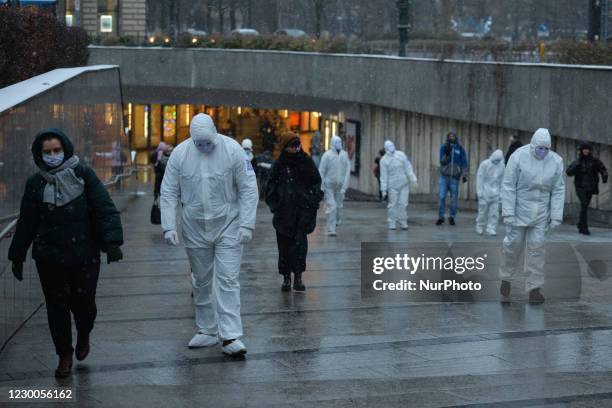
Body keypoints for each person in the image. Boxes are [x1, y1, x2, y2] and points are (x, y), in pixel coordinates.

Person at [8, 128, 124, 378]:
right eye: (47, 152)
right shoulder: (35, 184)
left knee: (85, 306)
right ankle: (64, 355)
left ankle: (83, 334)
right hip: (50, 257)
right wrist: (17, 255)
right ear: (39, 155)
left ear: (66, 149)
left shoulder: (83, 174)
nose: (52, 155)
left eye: (56, 150)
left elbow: (104, 207)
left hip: (84, 253)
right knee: (56, 308)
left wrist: (112, 242)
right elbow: (27, 222)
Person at [160, 113, 258, 356]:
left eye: (208, 142)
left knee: (227, 279)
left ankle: (230, 335)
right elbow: (169, 191)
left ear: (215, 133)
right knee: (201, 280)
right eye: (199, 143)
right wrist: (169, 225)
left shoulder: (233, 150)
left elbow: (248, 187)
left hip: (229, 224)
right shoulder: (180, 155)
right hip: (194, 227)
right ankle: (207, 329)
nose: (204, 147)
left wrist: (247, 224)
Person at [499, 128, 565, 304]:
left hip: (540, 215)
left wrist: (556, 215)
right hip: (518, 211)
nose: (542, 152)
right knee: (512, 247)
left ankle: (534, 289)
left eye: (546, 149)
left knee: (537, 251)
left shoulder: (556, 161)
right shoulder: (518, 157)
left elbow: (558, 189)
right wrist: (508, 212)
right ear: (533, 146)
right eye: (539, 148)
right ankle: (506, 278)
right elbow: (508, 185)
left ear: (549, 148)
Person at [264, 132, 323, 292]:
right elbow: (270, 186)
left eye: (297, 145)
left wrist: (311, 201)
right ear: (285, 147)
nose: (296, 149)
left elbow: (316, 182)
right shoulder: (280, 164)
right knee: (284, 247)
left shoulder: (305, 161)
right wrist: (276, 205)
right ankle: (286, 278)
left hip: (301, 213)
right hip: (284, 214)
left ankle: (298, 277)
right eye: (292, 146)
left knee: (300, 247)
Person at [566, 141, 608, 235]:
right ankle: (584, 227)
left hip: (590, 187)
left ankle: (581, 224)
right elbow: (568, 172)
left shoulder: (594, 161)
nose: (586, 151)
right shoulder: (578, 162)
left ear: (589, 150)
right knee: (584, 204)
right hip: (580, 187)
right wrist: (576, 167)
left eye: (587, 149)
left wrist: (604, 176)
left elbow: (602, 168)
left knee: (584, 206)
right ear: (581, 150)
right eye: (584, 149)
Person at [380, 140, 418, 230]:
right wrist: (383, 190)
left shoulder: (401, 155)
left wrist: (413, 180)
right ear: (385, 149)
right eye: (389, 146)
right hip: (392, 185)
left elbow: (408, 167)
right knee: (393, 204)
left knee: (403, 204)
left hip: (404, 183)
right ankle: (392, 222)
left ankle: (403, 221)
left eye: (392, 145)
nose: (391, 147)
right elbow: (383, 176)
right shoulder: (384, 160)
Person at [319, 135, 351, 236]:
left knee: (338, 207)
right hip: (329, 186)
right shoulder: (327, 156)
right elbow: (321, 171)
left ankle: (336, 220)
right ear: (332, 143)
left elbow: (347, 171)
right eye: (337, 142)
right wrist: (321, 187)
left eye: (340, 142)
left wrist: (344, 186)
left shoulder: (344, 155)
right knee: (332, 206)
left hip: (340, 186)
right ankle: (331, 229)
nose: (339, 144)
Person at [436, 131, 468, 226]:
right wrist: (447, 153)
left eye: (453, 136)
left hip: (455, 178)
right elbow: (442, 162)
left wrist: (464, 175)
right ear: (447, 137)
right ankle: (441, 218)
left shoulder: (460, 148)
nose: (451, 137)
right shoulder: (444, 147)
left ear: (456, 137)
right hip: (444, 177)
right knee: (441, 197)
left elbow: (464, 162)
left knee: (454, 200)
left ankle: (452, 217)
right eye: (450, 136)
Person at [475, 149, 505, 236]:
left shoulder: (502, 166)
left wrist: (501, 194)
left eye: (498, 160)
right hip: (485, 191)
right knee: (482, 211)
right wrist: (479, 192)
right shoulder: (485, 164)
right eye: (496, 160)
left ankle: (491, 228)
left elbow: (503, 180)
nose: (497, 162)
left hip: (496, 193)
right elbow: (480, 178)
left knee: (494, 213)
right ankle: (480, 226)